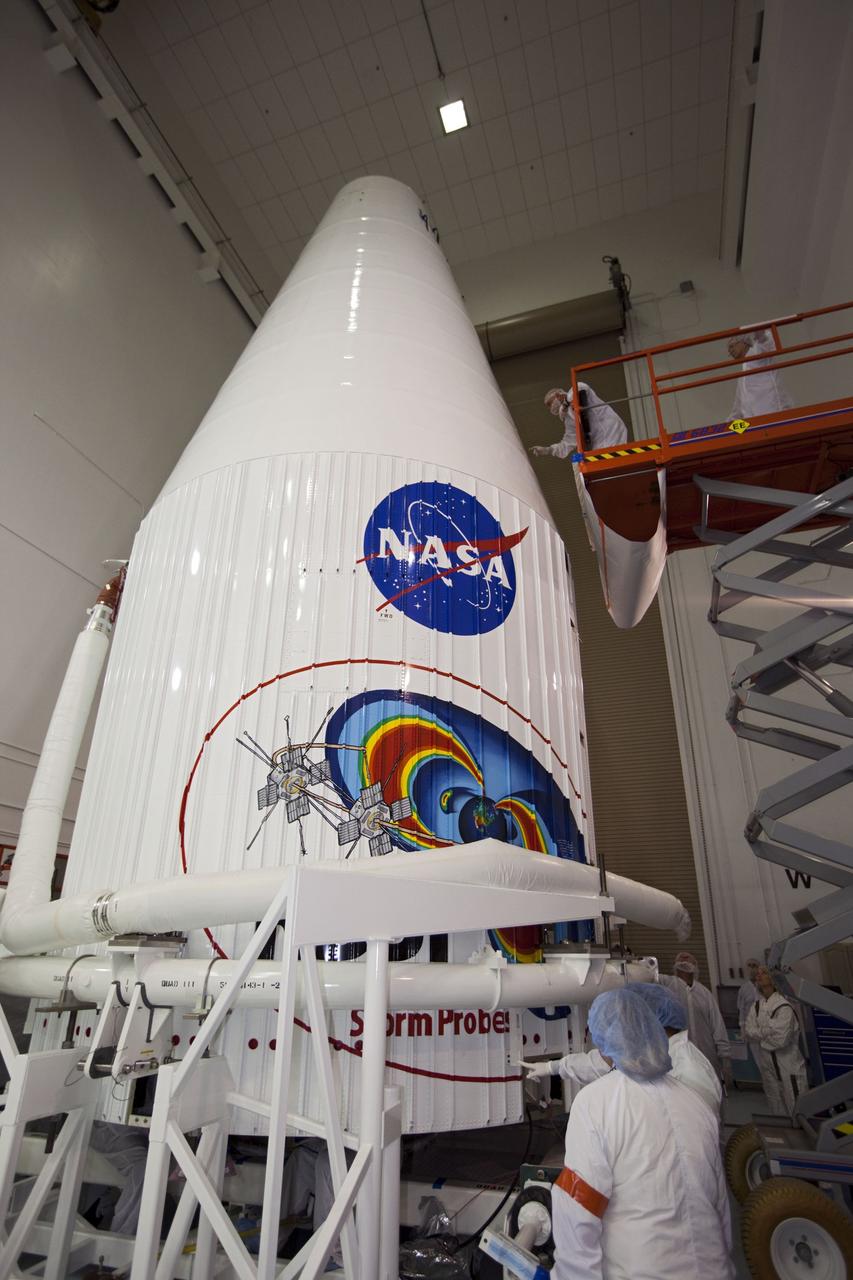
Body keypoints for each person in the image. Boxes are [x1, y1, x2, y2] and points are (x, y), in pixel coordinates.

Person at [551, 988, 734, 1280]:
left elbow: (578, 1207)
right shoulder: (692, 1101)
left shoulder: (596, 1103)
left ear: (602, 1041)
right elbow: (719, 1204)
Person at [521, 981, 721, 1113]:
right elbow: (598, 1064)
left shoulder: (689, 1071)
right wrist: (552, 1067)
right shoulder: (651, 1055)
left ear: (646, 1018)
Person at [743, 966, 808, 1117]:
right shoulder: (757, 1006)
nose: (759, 976)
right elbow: (748, 1032)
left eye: (763, 973)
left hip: (788, 1065)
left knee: (796, 1108)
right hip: (768, 1066)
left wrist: (760, 1033)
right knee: (776, 1107)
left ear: (773, 978)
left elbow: (781, 1040)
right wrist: (769, 1030)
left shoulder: (784, 1006)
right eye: (757, 974)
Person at [661, 951, 731, 1080]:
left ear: (696, 965)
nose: (684, 955)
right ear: (675, 965)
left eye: (689, 956)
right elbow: (644, 975)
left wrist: (724, 1054)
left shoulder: (705, 993)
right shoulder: (666, 984)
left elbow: (717, 1024)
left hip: (706, 1053)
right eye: (680, 956)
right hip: (677, 1055)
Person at [530, 384, 628, 456]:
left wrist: (566, 402)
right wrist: (548, 450)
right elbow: (568, 442)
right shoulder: (569, 418)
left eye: (551, 403)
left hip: (611, 429)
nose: (551, 407)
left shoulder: (574, 390)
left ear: (558, 394)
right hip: (599, 441)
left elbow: (581, 387)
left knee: (611, 460)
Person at [727, 329, 793, 421]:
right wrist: (727, 428)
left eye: (731, 346)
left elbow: (766, 341)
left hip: (774, 416)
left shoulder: (759, 351)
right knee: (733, 429)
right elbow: (738, 409)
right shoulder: (742, 377)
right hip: (754, 426)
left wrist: (758, 332)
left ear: (743, 342)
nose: (730, 351)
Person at [737, 957, 761, 1036]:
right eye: (749, 965)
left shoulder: (765, 986)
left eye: (754, 966)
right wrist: (742, 1028)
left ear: (758, 969)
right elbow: (741, 1010)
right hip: (750, 1027)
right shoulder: (743, 989)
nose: (751, 969)